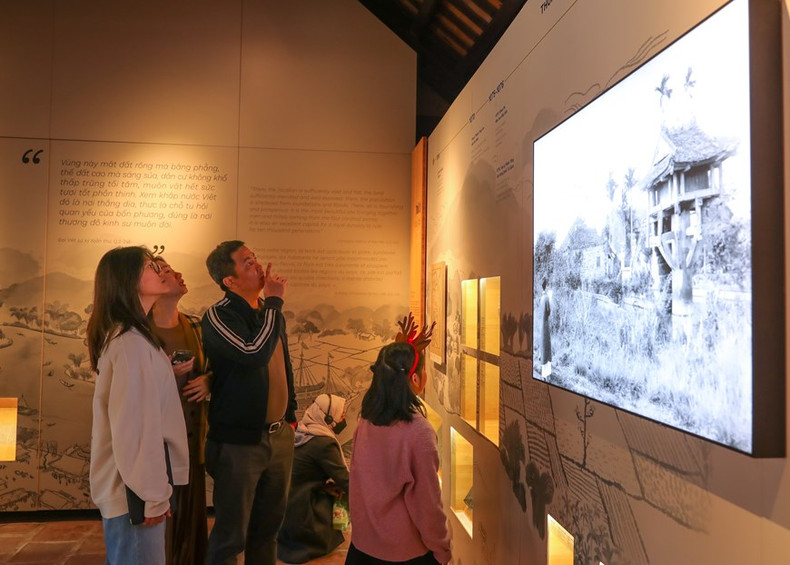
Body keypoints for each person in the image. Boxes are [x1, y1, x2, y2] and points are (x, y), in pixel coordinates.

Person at [87, 246, 189, 565]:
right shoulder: (131, 344)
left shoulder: (134, 338)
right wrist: (151, 496)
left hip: (132, 490)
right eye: (149, 266)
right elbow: (135, 430)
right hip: (133, 494)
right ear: (127, 280)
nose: (160, 271)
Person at [201, 240, 297, 565]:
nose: (257, 266)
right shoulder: (218, 315)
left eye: (255, 259)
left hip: (279, 435)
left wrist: (292, 415)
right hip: (239, 443)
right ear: (229, 280)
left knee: (268, 531)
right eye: (246, 263)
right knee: (231, 536)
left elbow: (283, 363)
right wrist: (273, 303)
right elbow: (252, 353)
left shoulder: (268, 313)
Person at [346, 315, 452, 565]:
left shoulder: (367, 421)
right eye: (423, 370)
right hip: (403, 553)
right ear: (415, 379)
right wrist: (442, 548)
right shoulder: (418, 432)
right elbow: (427, 503)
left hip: (362, 547)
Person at [148, 257, 211, 565]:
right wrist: (166, 375)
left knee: (190, 512)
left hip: (192, 433)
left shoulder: (196, 324)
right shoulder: (139, 331)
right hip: (156, 441)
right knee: (162, 516)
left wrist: (207, 381)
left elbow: (213, 369)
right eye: (168, 273)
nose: (178, 275)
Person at [277, 393, 350, 563]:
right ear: (328, 416)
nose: (343, 418)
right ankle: (338, 529)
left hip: (287, 511)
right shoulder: (324, 443)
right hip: (304, 515)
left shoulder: (303, 430)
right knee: (344, 492)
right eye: (341, 414)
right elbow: (346, 481)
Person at [540, 278, 552, 378]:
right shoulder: (547, 297)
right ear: (546, 286)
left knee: (543, 346)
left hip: (541, 325)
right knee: (547, 345)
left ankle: (544, 373)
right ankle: (547, 374)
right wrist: (550, 299)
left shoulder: (541, 297)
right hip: (546, 325)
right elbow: (548, 312)